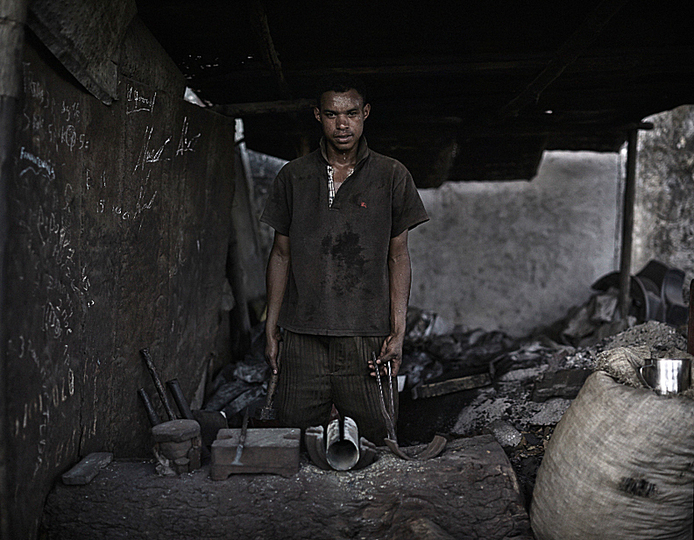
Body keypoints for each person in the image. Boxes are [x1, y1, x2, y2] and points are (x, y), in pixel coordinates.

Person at [260, 75, 428, 444]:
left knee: (376, 440)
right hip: (304, 335)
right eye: (332, 114)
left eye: (351, 113)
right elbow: (281, 254)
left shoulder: (391, 175)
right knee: (293, 440)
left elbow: (398, 255)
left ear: (365, 113)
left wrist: (397, 331)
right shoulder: (294, 176)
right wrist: (272, 328)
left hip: (366, 336)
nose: (342, 124)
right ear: (317, 115)